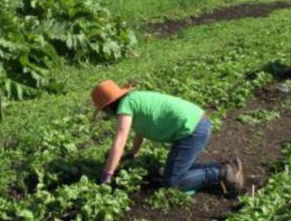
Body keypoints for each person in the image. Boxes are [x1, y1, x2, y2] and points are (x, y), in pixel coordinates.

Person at [90, 80, 244, 195]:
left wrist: (107, 175)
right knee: (170, 172)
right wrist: (133, 153)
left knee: (172, 183)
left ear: (108, 106)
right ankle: (225, 166)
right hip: (196, 124)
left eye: (104, 111)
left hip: (191, 130)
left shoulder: (125, 106)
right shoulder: (133, 99)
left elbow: (120, 140)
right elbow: (140, 131)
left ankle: (221, 172)